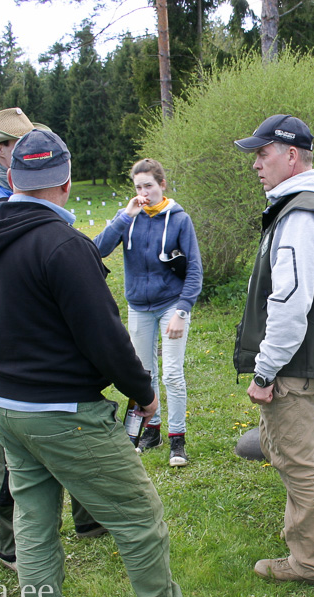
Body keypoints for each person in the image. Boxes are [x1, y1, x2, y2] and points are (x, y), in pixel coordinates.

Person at [0, 128, 217, 597]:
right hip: (62, 412)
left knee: (33, 524)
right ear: (67, 183)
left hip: (4, 407)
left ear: (12, 178)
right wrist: (144, 395)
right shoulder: (63, 245)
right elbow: (105, 337)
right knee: (138, 512)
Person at [0, 107, 102, 574]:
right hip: (4, 353)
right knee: (12, 450)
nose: (33, 151)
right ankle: (11, 545)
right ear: (0, 151)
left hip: (53, 345)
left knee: (78, 424)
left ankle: (89, 519)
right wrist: (16, 307)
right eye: (22, 143)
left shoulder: (44, 197)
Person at [233, 114, 314, 584]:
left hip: (293, 362)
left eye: (262, 154)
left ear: (290, 155)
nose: (255, 164)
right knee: (295, 451)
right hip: (307, 358)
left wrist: (264, 373)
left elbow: (288, 303)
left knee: (294, 458)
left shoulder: (302, 212)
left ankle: (310, 561)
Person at [93, 159, 203, 467]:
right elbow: (96, 250)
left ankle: (177, 440)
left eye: (149, 186)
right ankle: (148, 431)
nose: (144, 193)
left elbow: (194, 269)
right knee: (143, 374)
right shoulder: (127, 217)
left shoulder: (179, 219)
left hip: (171, 305)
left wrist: (183, 310)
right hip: (139, 307)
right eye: (138, 187)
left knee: (172, 373)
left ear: (162, 185)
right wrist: (125, 217)